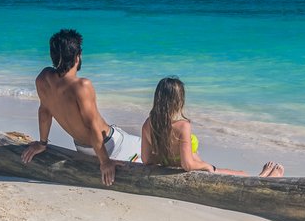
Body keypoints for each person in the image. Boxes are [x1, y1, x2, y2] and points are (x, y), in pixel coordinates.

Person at [20, 29, 141, 186]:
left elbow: (44, 111)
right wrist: (105, 162)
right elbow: (92, 127)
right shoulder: (81, 86)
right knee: (147, 147)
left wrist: (42, 143)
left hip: (83, 149)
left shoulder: (43, 79)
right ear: (77, 57)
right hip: (110, 146)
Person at [141, 76, 284, 177]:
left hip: (173, 168)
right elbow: (187, 165)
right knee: (243, 175)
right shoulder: (182, 126)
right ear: (178, 101)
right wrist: (207, 166)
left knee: (240, 174)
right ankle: (264, 177)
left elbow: (146, 159)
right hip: (198, 170)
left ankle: (263, 176)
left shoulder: (149, 124)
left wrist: (166, 160)